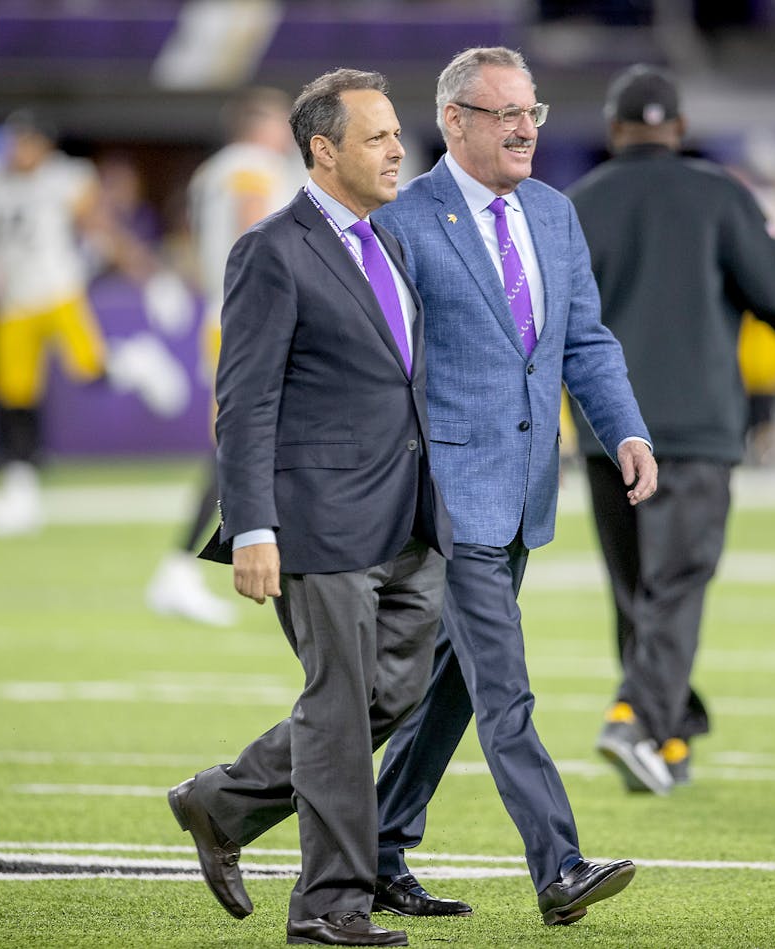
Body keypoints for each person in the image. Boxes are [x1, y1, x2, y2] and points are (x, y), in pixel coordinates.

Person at [369, 46, 656, 927]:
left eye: (531, 110)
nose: (527, 126)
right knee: (504, 683)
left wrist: (627, 430)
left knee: (451, 684)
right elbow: (385, 368)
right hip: (446, 496)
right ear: (456, 122)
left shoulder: (555, 213)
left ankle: (341, 835)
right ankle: (559, 863)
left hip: (524, 489)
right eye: (505, 113)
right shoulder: (405, 220)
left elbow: (584, 344)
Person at [166, 68, 451, 948]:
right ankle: (330, 906)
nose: (398, 148)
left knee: (393, 693)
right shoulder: (270, 249)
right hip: (319, 521)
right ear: (324, 151)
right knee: (337, 709)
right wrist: (252, 524)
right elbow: (242, 401)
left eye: (398, 132)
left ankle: (221, 801)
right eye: (377, 136)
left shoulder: (394, 241)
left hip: (410, 516)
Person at [565, 65, 775, 795]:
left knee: (635, 588)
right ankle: (636, 717)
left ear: (614, 129)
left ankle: (667, 737)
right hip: (694, 430)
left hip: (607, 428)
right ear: (681, 130)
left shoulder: (575, 205)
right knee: (678, 583)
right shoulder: (722, 193)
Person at [0, 109, 193, 536]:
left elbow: (103, 232)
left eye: (29, 141)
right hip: (11, 302)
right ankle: (21, 492)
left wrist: (153, 278)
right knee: (14, 396)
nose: (20, 150)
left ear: (46, 146)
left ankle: (136, 360)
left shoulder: (64, 180)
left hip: (58, 294)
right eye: (16, 140)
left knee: (87, 369)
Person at [145, 87, 304, 627]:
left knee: (263, 441)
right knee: (241, 445)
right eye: (281, 121)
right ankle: (180, 568)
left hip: (224, 313)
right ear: (257, 125)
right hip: (252, 318)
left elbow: (195, 240)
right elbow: (258, 230)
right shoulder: (252, 167)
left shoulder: (210, 171)